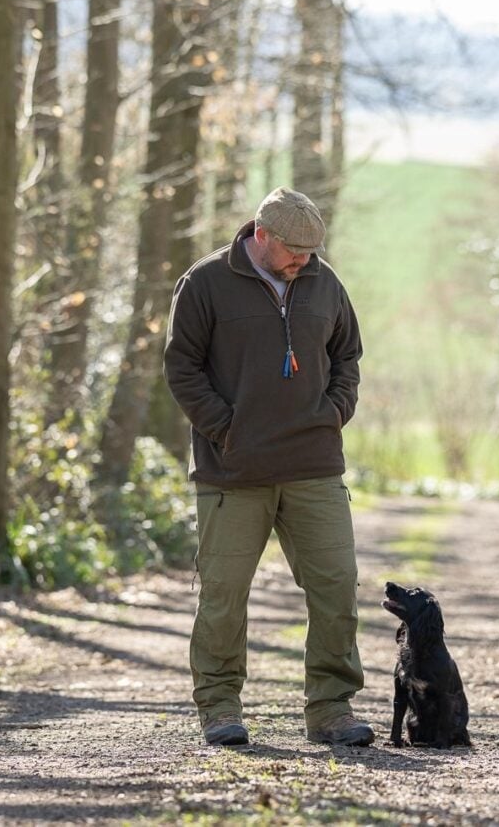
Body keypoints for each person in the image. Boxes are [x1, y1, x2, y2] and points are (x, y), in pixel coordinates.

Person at [163, 186, 373, 747]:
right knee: (224, 595)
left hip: (314, 465)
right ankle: (220, 707)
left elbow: (348, 356)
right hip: (232, 472)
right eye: (294, 251)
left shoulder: (324, 283)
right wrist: (226, 428)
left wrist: (333, 412)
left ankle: (331, 709)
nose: (304, 261)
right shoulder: (204, 283)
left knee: (337, 584)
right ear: (262, 236)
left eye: (311, 251)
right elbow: (181, 367)